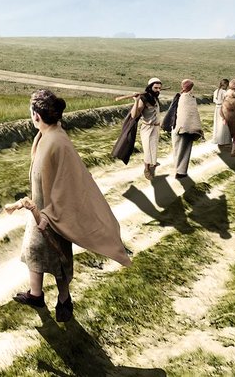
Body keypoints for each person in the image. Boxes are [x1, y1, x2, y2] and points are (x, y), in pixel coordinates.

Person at [11, 89, 133, 322]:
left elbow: (68, 182)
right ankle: (36, 294)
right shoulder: (46, 135)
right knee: (33, 250)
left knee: (59, 258)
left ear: (37, 115)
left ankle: (64, 300)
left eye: (31, 112)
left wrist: (50, 213)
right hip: (39, 208)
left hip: (54, 213)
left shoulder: (58, 141)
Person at [116, 78, 165, 178]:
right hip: (147, 128)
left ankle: (153, 163)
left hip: (156, 127)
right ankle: (146, 169)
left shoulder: (155, 98)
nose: (158, 90)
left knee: (154, 147)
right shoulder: (144, 99)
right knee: (147, 149)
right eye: (155, 88)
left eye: (159, 88)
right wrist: (136, 101)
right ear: (150, 87)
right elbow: (134, 115)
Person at [171, 79, 203, 178]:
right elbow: (191, 114)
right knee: (184, 150)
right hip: (185, 128)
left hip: (178, 127)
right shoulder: (188, 98)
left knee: (177, 149)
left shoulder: (181, 96)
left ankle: (178, 170)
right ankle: (181, 172)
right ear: (191, 88)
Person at [211, 78, 231, 148]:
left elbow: (214, 100)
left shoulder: (216, 91)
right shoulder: (224, 92)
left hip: (217, 108)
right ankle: (223, 141)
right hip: (222, 108)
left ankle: (217, 139)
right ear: (225, 84)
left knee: (217, 124)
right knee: (223, 125)